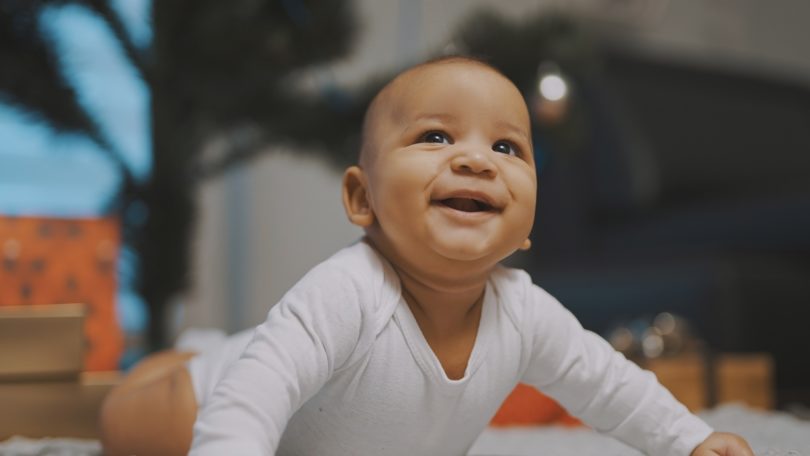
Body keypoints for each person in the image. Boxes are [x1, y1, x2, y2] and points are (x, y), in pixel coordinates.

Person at [100, 56, 753, 456]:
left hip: (307, 379)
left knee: (275, 355)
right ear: (362, 198)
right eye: (436, 135)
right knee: (129, 426)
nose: (474, 158)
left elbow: (608, 386)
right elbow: (250, 402)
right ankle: (190, 356)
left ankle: (214, 344)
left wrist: (689, 440)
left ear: (528, 223)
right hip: (218, 390)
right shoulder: (348, 290)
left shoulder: (524, 312)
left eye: (508, 148)